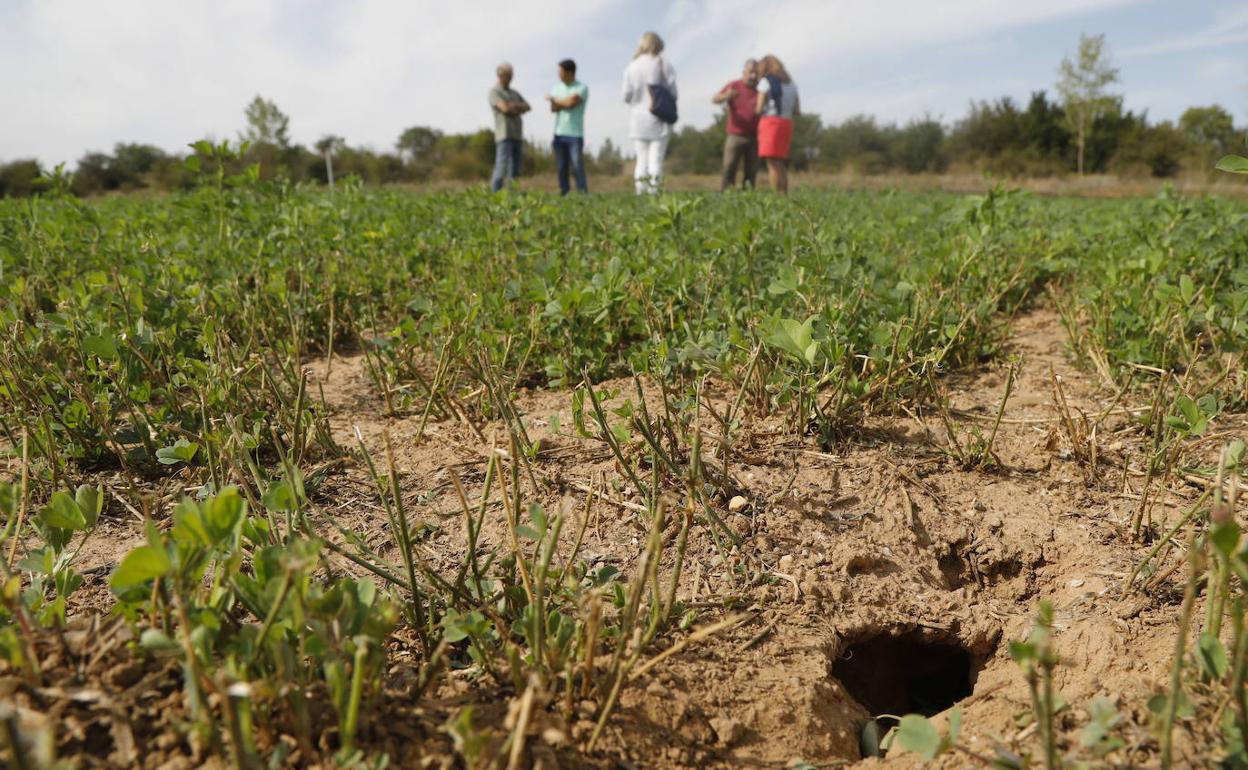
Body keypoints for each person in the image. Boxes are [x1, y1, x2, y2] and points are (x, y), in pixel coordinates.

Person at [622, 31, 676, 195]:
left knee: (641, 159)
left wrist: (637, 100)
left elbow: (626, 95)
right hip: (659, 118)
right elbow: (673, 92)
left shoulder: (632, 66)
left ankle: (640, 193)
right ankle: (655, 194)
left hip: (638, 118)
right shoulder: (663, 64)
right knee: (656, 159)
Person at [755, 55, 800, 195]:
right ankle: (784, 193)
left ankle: (776, 196)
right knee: (780, 162)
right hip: (786, 123)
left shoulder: (765, 82)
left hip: (771, 122)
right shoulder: (792, 84)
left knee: (772, 164)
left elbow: (758, 108)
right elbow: (797, 110)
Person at [712, 59, 759, 191]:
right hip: (735, 135)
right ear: (744, 72)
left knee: (751, 170)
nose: (753, 76)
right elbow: (715, 98)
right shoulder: (734, 85)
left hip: (755, 136)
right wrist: (727, 95)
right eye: (750, 72)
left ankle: (748, 197)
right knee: (729, 167)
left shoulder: (761, 89)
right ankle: (726, 195)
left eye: (756, 73)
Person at [546, 59, 590, 195]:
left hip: (575, 134)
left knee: (577, 166)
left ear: (569, 72)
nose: (558, 74)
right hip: (559, 133)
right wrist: (560, 102)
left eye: (561, 72)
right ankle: (563, 192)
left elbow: (571, 103)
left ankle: (582, 193)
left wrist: (555, 100)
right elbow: (553, 108)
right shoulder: (556, 87)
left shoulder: (581, 88)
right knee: (561, 167)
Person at [488, 63, 530, 192]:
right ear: (500, 75)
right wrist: (517, 108)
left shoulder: (514, 93)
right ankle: (495, 195)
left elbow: (527, 106)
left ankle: (513, 197)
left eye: (511, 75)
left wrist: (512, 106)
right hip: (504, 135)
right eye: (507, 75)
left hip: (517, 135)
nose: (509, 78)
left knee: (515, 169)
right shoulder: (494, 91)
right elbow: (505, 109)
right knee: (501, 167)